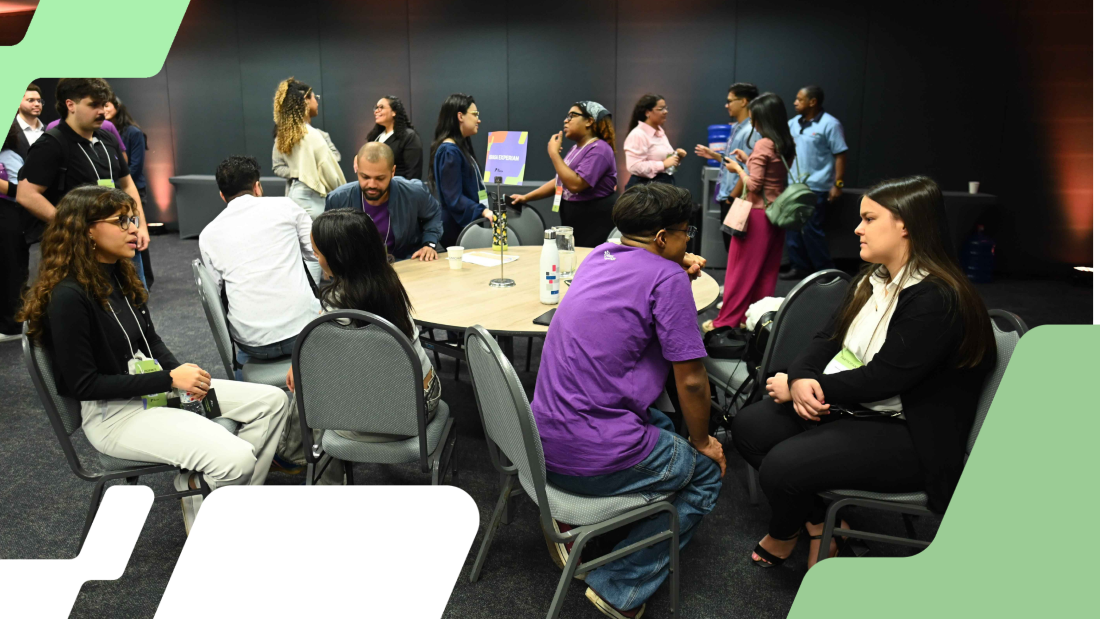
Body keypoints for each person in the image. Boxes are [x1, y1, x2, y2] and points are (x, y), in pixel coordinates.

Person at [731, 176, 996, 570]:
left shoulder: (936, 297)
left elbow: (885, 379)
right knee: (750, 427)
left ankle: (786, 533)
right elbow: (825, 338)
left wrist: (808, 387)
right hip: (857, 405)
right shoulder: (875, 277)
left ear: (905, 223)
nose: (857, 228)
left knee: (783, 467)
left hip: (909, 432)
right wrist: (802, 379)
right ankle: (822, 525)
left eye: (869, 219)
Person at [17, 185, 289, 535]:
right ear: (87, 229)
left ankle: (210, 498)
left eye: (133, 219)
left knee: (272, 400)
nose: (134, 228)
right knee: (236, 459)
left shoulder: (116, 273)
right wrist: (169, 380)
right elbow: (83, 384)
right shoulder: (68, 296)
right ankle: (213, 520)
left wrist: (182, 376)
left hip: (154, 393)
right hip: (114, 416)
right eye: (121, 221)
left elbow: (152, 342)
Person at [531, 183, 723, 619]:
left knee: (663, 425)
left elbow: (639, 272)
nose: (688, 240)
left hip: (541, 444)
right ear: (661, 239)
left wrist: (674, 263)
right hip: (592, 457)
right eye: (684, 233)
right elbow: (692, 381)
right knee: (706, 471)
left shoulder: (599, 255)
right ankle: (620, 585)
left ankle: (593, 528)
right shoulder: (667, 276)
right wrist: (705, 441)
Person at [285, 208, 442, 443]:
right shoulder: (389, 281)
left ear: (337, 256)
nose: (317, 260)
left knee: (308, 385)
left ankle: (297, 455)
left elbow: (319, 367)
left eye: (318, 254)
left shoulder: (337, 304)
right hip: (425, 400)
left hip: (388, 418)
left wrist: (299, 365)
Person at [18, 78, 151, 285]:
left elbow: (127, 185)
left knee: (133, 299)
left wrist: (140, 225)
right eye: (93, 105)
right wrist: (74, 227)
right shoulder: (50, 144)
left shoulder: (108, 138)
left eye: (103, 104)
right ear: (70, 104)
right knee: (88, 306)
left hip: (119, 238)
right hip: (76, 248)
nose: (102, 111)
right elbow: (26, 194)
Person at [199, 156, 321, 374]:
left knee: (245, 347)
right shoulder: (286, 206)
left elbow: (217, 293)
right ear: (257, 187)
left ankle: (248, 380)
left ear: (222, 195)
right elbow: (316, 254)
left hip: (253, 343)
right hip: (303, 331)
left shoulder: (208, 234)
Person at [705, 92, 793, 333]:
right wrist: (748, 161)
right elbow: (771, 177)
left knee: (739, 272)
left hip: (755, 216)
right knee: (766, 271)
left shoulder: (764, 143)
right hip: (776, 215)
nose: (752, 122)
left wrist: (738, 169)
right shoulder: (785, 142)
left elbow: (754, 185)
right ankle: (753, 320)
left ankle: (724, 322)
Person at [509, 101, 618, 248]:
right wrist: (526, 197)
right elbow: (560, 181)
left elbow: (575, 184)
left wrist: (554, 154)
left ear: (589, 121)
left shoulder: (600, 149)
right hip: (576, 219)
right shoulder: (576, 148)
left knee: (586, 262)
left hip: (594, 220)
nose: (565, 120)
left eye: (572, 116)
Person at [271, 78, 345, 282]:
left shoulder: (286, 133)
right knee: (316, 254)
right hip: (312, 199)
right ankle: (313, 304)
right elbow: (330, 171)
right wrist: (343, 195)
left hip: (295, 196)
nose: (317, 102)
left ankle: (306, 300)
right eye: (315, 98)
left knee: (302, 252)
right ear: (305, 100)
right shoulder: (311, 135)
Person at [324, 142, 442, 261]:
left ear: (393, 172)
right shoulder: (338, 199)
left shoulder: (413, 192)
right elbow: (328, 239)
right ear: (357, 170)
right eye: (365, 177)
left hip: (404, 264)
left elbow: (434, 215)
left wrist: (429, 244)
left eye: (380, 178)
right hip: (358, 271)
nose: (372, 184)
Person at [783, 85, 848, 280]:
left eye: (799, 99)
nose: (795, 103)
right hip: (793, 185)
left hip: (816, 186)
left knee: (811, 229)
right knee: (792, 228)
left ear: (813, 102)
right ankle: (799, 267)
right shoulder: (793, 123)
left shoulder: (830, 124)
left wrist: (838, 185)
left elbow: (841, 155)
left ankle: (825, 271)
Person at [695, 83, 760, 251]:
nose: (727, 105)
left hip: (736, 199)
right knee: (731, 248)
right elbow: (734, 161)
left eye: (730, 101)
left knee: (737, 250)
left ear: (744, 101)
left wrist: (732, 198)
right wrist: (714, 155)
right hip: (729, 197)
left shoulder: (751, 131)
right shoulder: (737, 127)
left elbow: (748, 169)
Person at [429, 93, 495, 247]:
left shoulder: (458, 148)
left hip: (465, 225)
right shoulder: (449, 151)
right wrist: (483, 211)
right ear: (460, 116)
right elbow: (454, 199)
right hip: (457, 229)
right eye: (475, 114)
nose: (478, 119)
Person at [104, 95, 151, 288]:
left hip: (133, 193)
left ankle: (143, 280)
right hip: (114, 195)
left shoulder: (133, 132)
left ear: (117, 107)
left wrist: (119, 185)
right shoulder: (105, 132)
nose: (103, 110)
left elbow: (135, 167)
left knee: (136, 236)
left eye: (106, 105)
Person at [0, 123, 28, 342]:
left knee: (11, 268)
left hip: (9, 217)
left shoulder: (9, 155)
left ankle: (13, 323)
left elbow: (22, 192)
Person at [623, 94, 685, 188]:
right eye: (661, 109)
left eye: (666, 108)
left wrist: (676, 157)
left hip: (663, 188)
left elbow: (667, 166)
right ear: (648, 112)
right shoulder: (638, 134)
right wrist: (663, 165)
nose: (666, 112)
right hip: (645, 191)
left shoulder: (660, 132)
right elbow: (634, 167)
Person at [366, 96, 423, 181]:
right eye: (376, 108)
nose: (376, 111)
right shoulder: (376, 137)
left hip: (399, 191)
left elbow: (413, 174)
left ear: (394, 112)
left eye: (381, 107)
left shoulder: (409, 137)